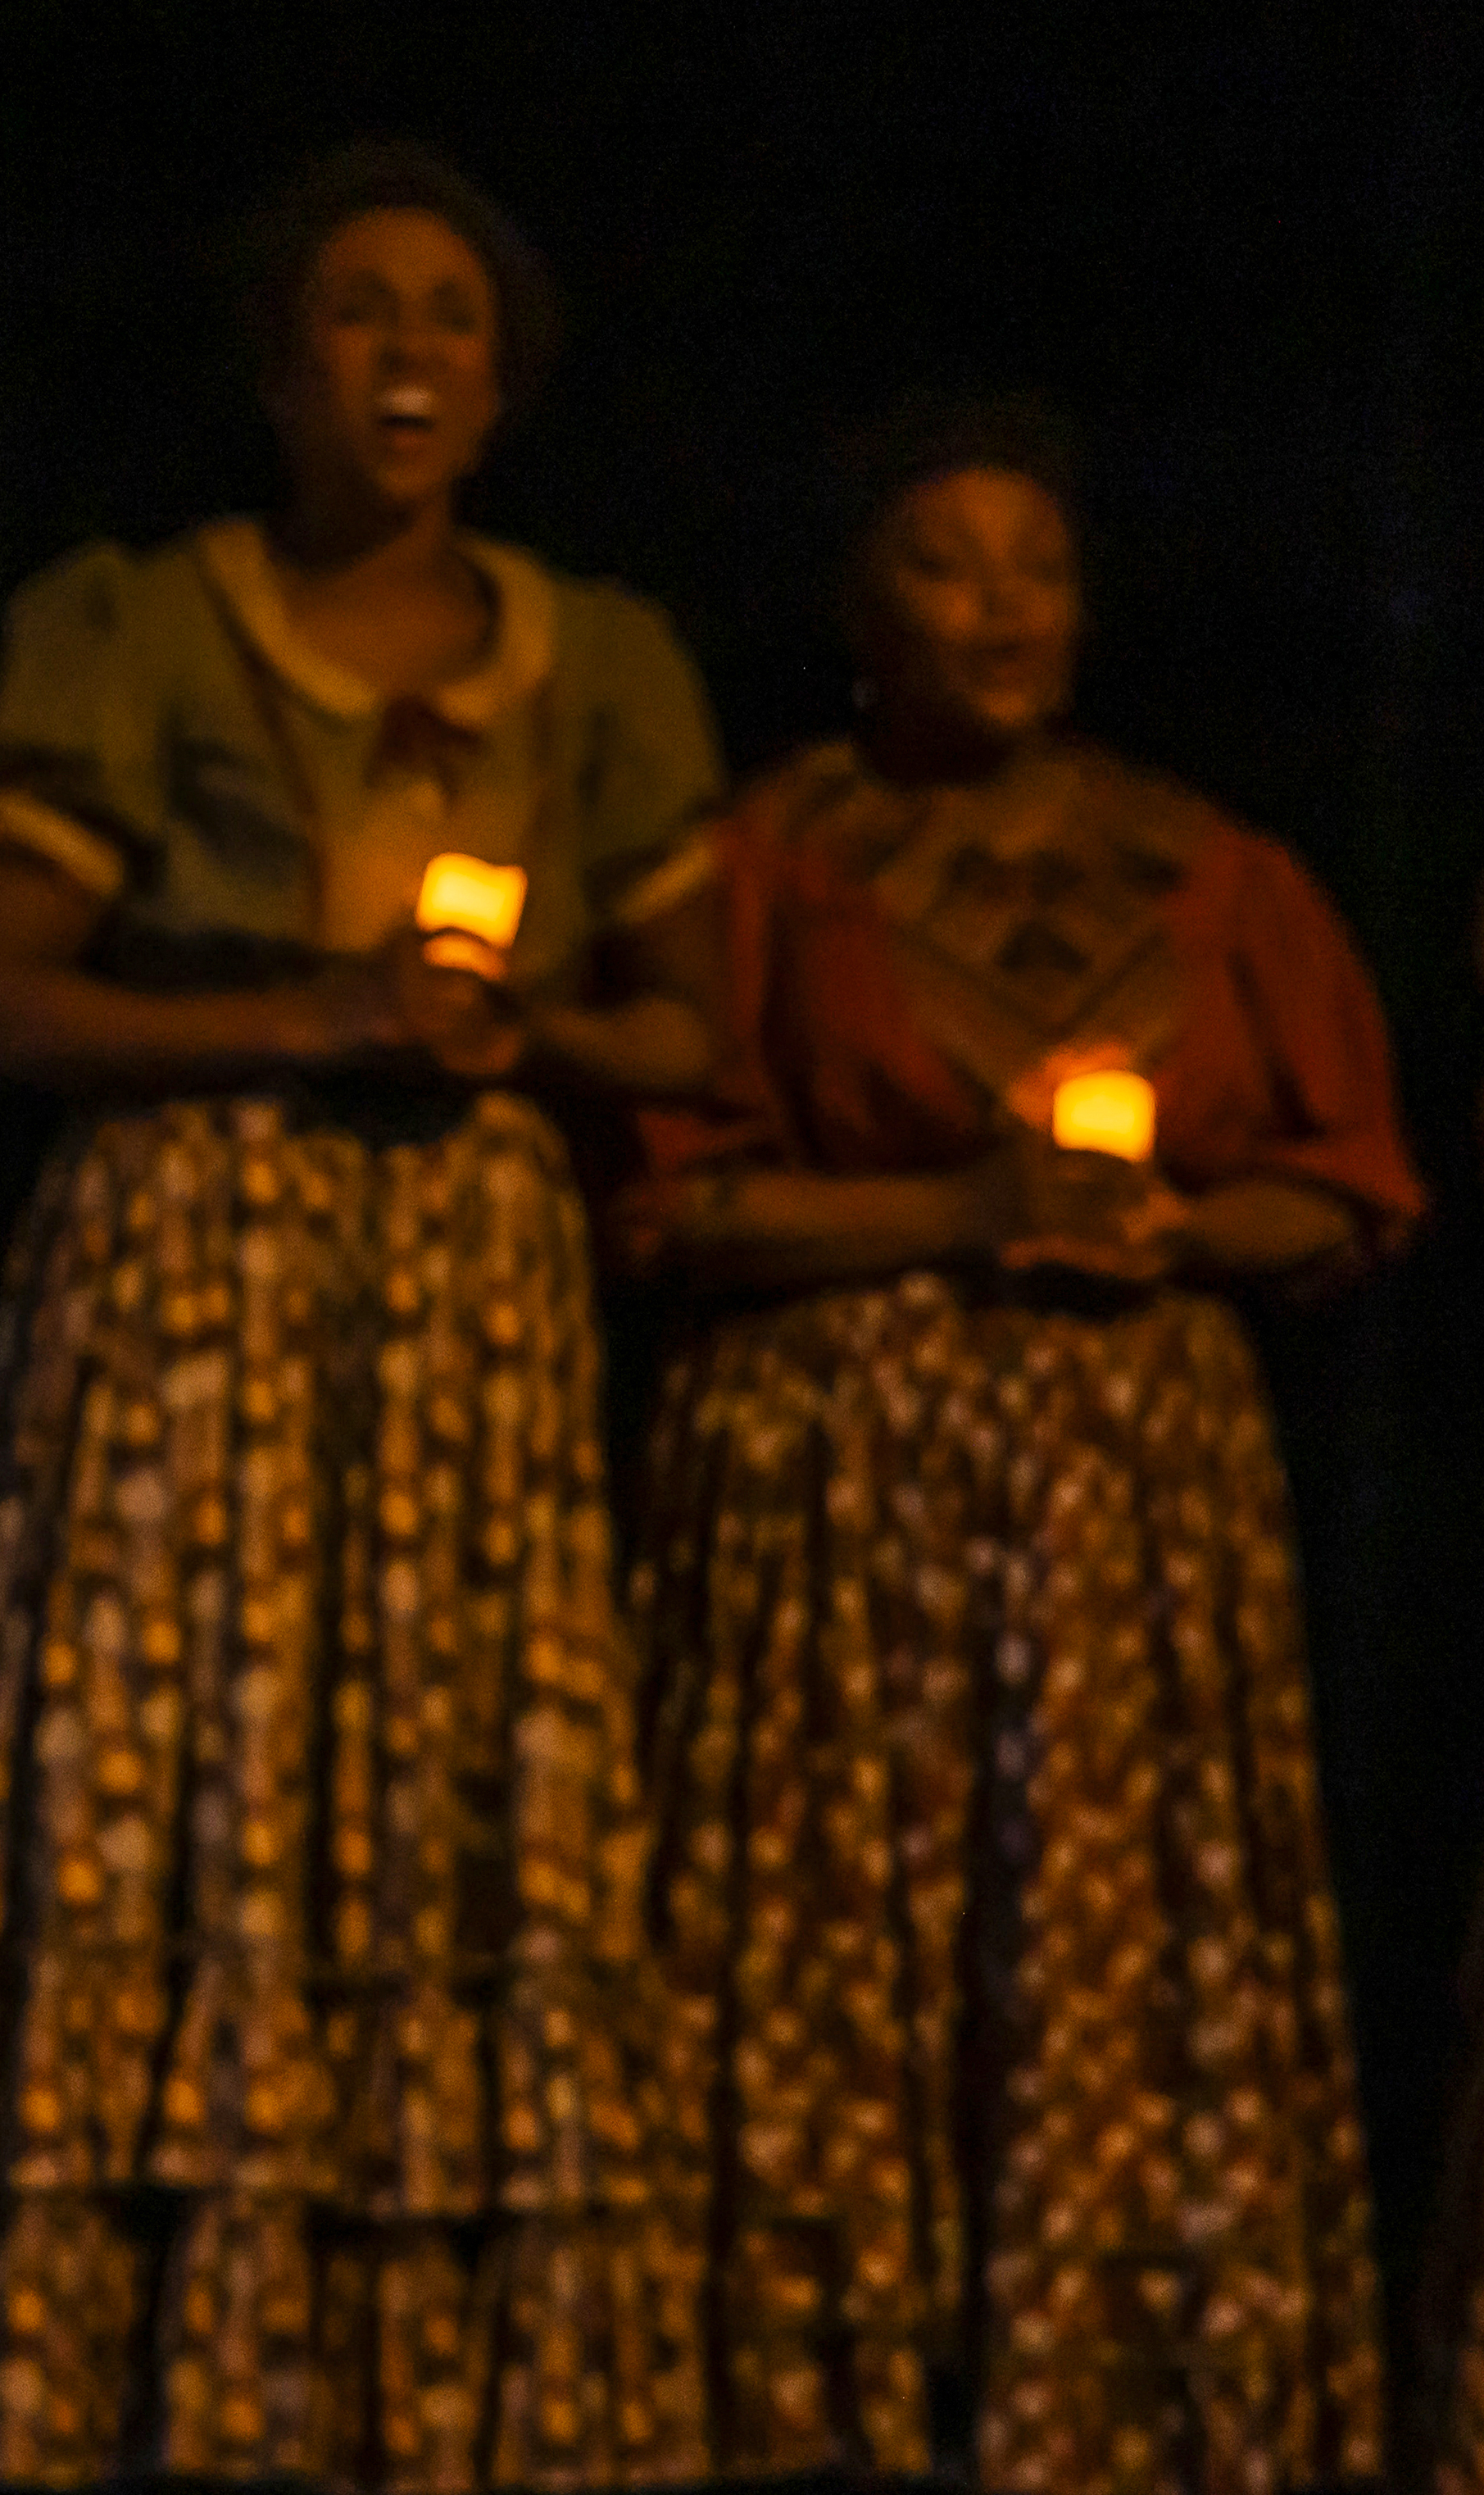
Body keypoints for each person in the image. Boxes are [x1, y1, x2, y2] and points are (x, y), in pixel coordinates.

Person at [0, 145, 723, 2491]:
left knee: (432, 1780)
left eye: (445, 325)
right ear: (276, 368)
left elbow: (685, 1029)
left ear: (496, 392)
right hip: (191, 1259)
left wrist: (501, 1029)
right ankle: (107, 2361)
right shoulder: (142, 621)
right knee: (155, 1771)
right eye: (353, 315)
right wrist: (308, 1017)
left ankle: (408, 2383)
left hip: (461, 1299)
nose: (400, 357)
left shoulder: (590, 655)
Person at [615, 398, 1408, 2495]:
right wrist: (958, 1220)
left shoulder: (1217, 871)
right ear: (861, 607)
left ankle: (1107, 2393)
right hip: (841, 1513)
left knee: (1107, 1945)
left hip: (1130, 1524)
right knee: (830, 1957)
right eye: (950, 563)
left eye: (1038, 566)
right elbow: (679, 1195)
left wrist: (1169, 1229)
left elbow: (1342, 1186)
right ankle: (809, 2403)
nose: (1003, 607)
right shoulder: (768, 854)